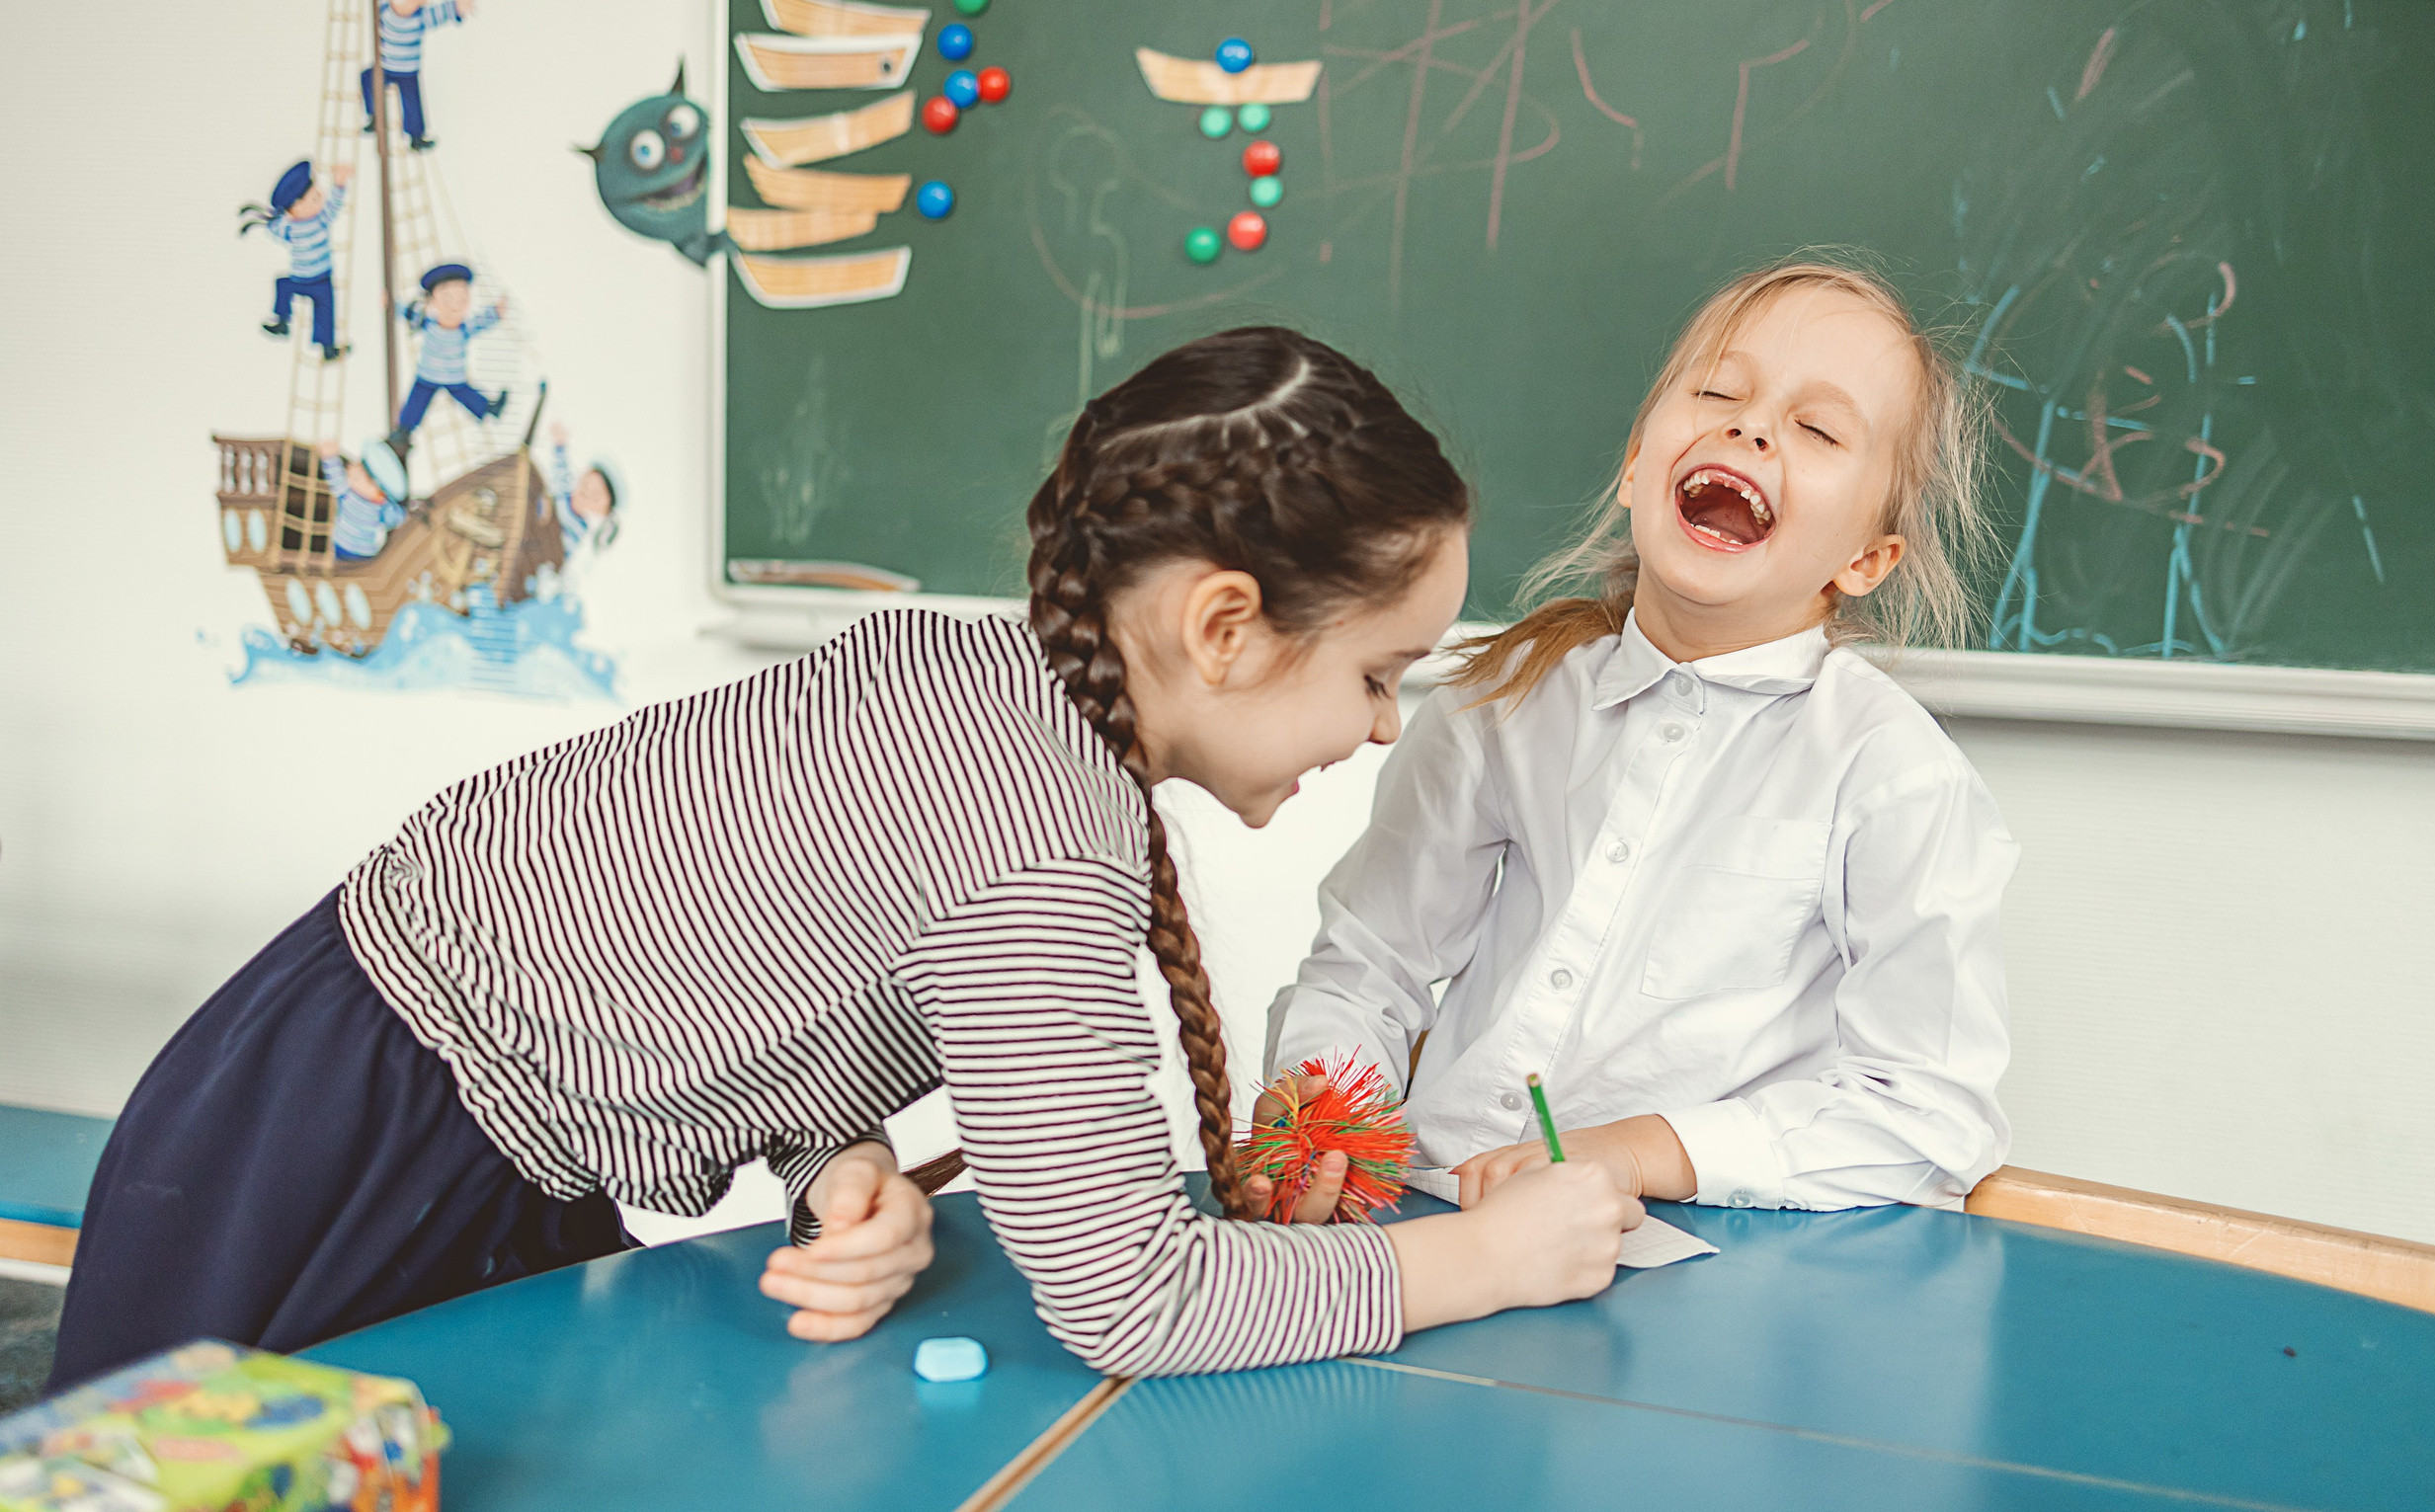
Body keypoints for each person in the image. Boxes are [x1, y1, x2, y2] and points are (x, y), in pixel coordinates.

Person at [49, 327, 1641, 1393]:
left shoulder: (969, 674)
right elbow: (1129, 1297)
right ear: (1225, 626)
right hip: (345, 1148)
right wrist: (1478, 1258)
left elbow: (723, 933)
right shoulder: (1037, 841)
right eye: (1379, 672)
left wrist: (831, 1156)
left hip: (335, 1074)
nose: (1378, 729)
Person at [1258, 259, 2018, 1225]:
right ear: (1633, 464)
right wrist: (1325, 1101)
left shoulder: (1895, 778)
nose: (1747, 427)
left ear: (1865, 559)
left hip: (1698, 1257)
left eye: (1818, 428)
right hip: (1431, 1218)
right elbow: (1371, 963)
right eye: (1717, 393)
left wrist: (1637, 1153)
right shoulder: (1502, 703)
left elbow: (1928, 1114)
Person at [357, 0, 474, 152]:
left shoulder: (422, 17)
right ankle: (375, 116)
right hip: (384, 66)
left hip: (407, 71)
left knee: (412, 103)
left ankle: (416, 136)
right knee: (367, 78)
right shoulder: (384, 5)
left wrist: (457, 7)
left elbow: (443, 12)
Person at [389, 263, 508, 456]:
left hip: (455, 377)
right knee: (415, 403)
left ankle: (488, 408)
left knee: (468, 395)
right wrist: (390, 304)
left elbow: (482, 321)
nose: (456, 304)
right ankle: (404, 431)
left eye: (463, 298)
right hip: (428, 375)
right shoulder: (427, 323)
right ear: (433, 301)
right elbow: (406, 312)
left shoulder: (465, 329)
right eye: (448, 298)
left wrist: (496, 312)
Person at [241, 160, 353, 361]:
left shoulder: (321, 220)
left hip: (321, 278)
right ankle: (282, 322)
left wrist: (340, 184)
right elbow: (274, 231)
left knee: (325, 310)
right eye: (315, 197)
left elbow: (333, 207)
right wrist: (282, 217)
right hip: (300, 279)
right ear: (296, 207)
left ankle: (327, 347)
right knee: (282, 284)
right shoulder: (291, 228)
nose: (321, 200)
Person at [316, 438, 408, 561]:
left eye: (357, 477)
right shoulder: (347, 492)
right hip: (340, 544)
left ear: (377, 492)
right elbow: (335, 476)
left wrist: (405, 512)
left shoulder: (381, 507)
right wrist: (330, 456)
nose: (350, 477)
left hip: (365, 553)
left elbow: (396, 518)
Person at [547, 423, 619, 555]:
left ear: (603, 512)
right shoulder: (563, 492)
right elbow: (560, 468)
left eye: (595, 496)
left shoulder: (577, 530)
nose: (586, 492)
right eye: (586, 484)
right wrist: (559, 444)